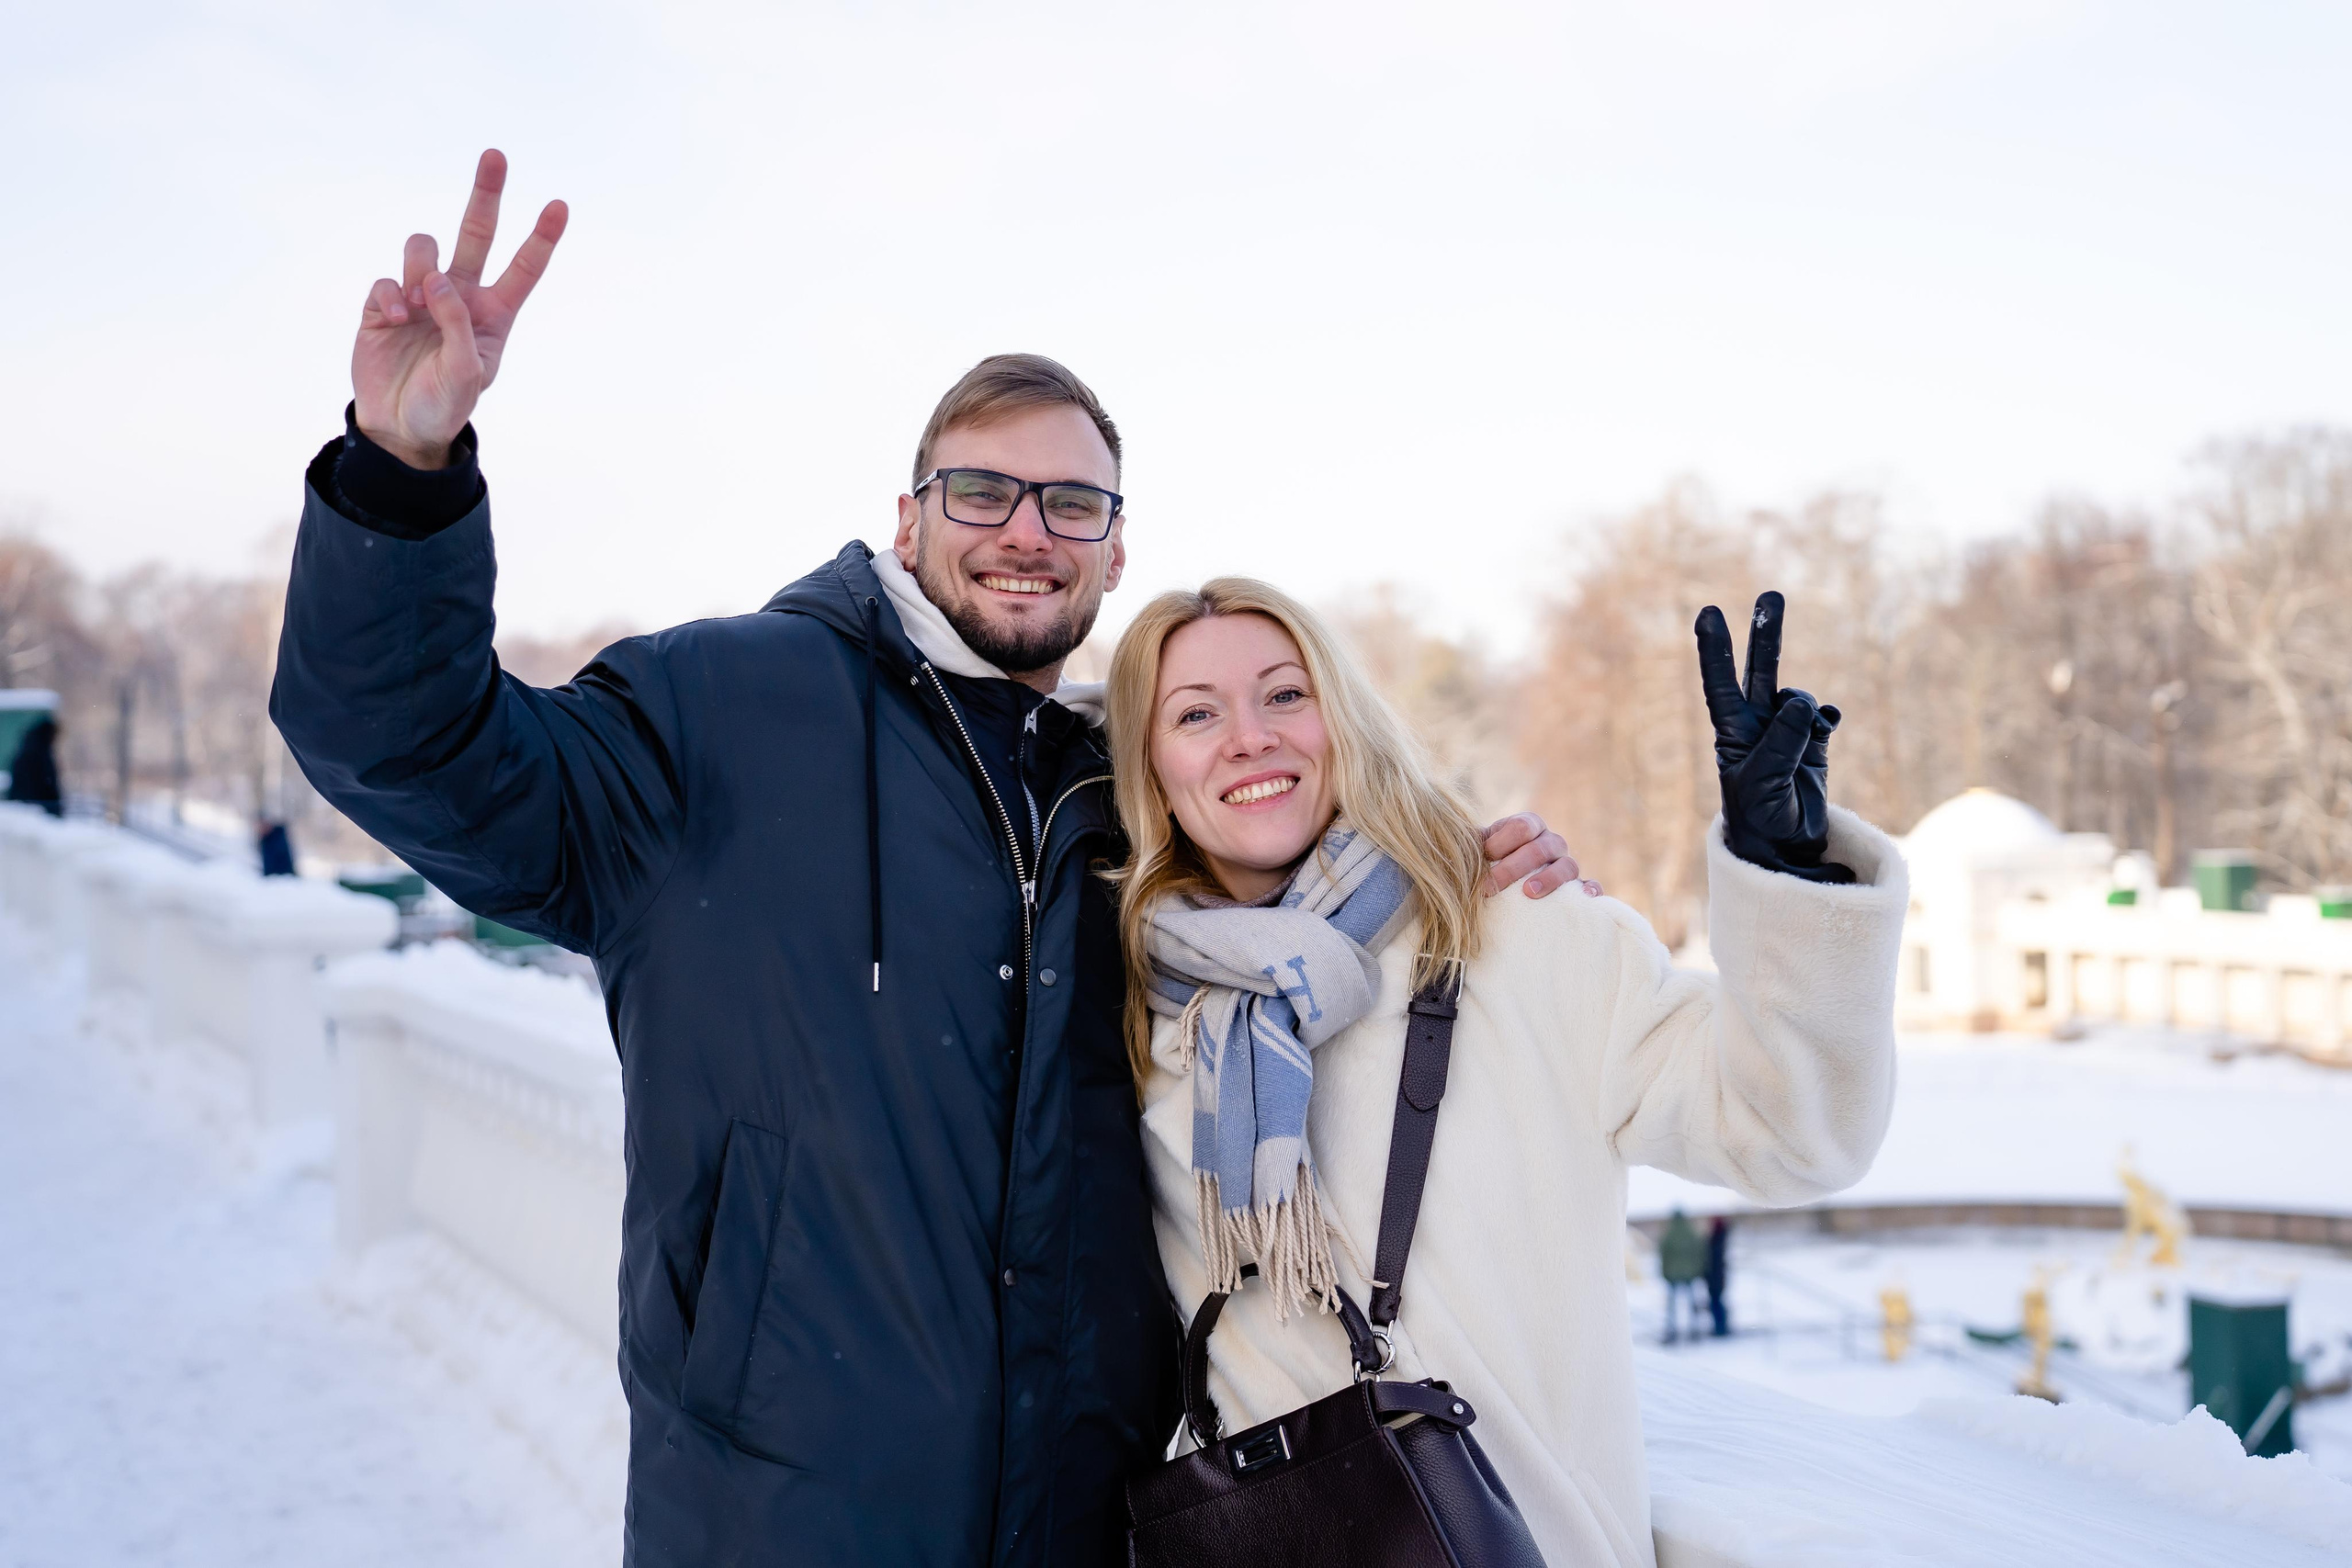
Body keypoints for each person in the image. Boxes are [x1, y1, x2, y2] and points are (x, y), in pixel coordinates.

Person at [267, 150, 1589, 1568]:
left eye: (1071, 503)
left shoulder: (1127, 789)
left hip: (1086, 1523)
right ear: (907, 518)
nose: (1027, 530)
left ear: (1114, 552)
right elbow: (408, 746)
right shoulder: (723, 710)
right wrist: (400, 471)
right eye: (981, 490)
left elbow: (1297, 899)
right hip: (783, 1519)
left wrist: (1446, 867)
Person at [1108, 578, 1907, 1568]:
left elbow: (1789, 1135)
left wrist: (1785, 869)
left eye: (1285, 694)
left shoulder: (1522, 930)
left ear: (1343, 722)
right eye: (1194, 715)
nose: (1249, 737)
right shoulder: (1141, 1009)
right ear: (1147, 766)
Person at [1657, 1209, 1703, 1346]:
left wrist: (1664, 1272)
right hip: (1689, 1274)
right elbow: (1698, 1252)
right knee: (1691, 1303)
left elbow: (1663, 1254)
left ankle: (1671, 1331)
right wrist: (1696, 1270)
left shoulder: (1669, 1234)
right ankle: (1694, 1330)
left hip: (1672, 1274)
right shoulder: (1691, 1233)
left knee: (1672, 1305)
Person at [6, 715, 62, 818]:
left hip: (27, 803)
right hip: (35, 805)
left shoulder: (29, 747)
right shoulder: (38, 751)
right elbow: (45, 778)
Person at [1703, 1213, 1732, 1337]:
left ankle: (1720, 1328)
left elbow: (1714, 1258)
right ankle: (1721, 1327)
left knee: (1716, 1303)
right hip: (1716, 1275)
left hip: (1715, 1275)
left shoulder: (1717, 1240)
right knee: (1717, 1302)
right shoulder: (1720, 1238)